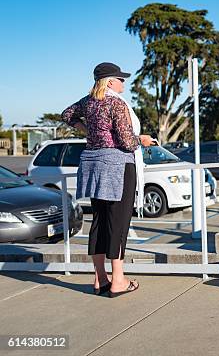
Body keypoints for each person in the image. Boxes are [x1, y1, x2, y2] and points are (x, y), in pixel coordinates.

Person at [61, 62, 156, 297]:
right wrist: (142, 140)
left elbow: (67, 115)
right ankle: (118, 281)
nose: (124, 82)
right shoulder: (116, 103)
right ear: (110, 81)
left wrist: (88, 131)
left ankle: (100, 279)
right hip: (118, 166)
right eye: (121, 79)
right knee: (118, 223)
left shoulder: (88, 101)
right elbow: (125, 142)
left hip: (93, 163)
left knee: (99, 221)